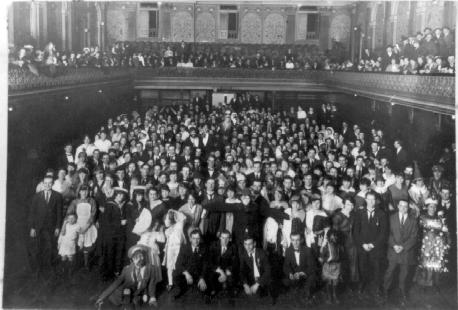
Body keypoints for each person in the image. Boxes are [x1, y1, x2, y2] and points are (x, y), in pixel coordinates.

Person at [383, 200, 418, 306]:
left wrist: (403, 247)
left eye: (405, 206)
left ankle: (402, 292)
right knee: (390, 271)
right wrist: (394, 245)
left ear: (408, 208)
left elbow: (414, 237)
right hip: (393, 250)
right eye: (401, 206)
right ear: (398, 206)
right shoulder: (391, 218)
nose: (403, 208)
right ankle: (385, 291)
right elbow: (387, 233)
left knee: (405, 273)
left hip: (406, 251)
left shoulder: (413, 220)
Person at [353, 191, 387, 295]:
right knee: (362, 266)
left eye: (373, 199)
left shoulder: (382, 214)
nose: (371, 202)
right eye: (369, 199)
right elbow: (355, 231)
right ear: (366, 200)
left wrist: (373, 245)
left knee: (376, 267)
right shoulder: (359, 213)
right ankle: (363, 283)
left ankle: (377, 286)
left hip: (376, 247)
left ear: (376, 201)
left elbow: (383, 232)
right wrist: (363, 244)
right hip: (362, 246)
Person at [28, 174, 63, 275]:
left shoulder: (57, 196)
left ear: (52, 184)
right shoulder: (37, 196)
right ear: (43, 184)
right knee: (38, 247)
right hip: (38, 227)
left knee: (50, 246)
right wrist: (32, 227)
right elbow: (32, 213)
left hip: (51, 227)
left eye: (50, 183)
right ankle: (38, 268)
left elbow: (59, 213)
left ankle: (49, 267)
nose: (47, 185)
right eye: (46, 183)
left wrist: (57, 227)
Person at [415, 199, 450, 291]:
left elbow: (446, 230)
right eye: (430, 206)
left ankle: (435, 284)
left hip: (438, 245)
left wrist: (447, 242)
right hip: (426, 244)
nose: (432, 208)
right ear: (427, 207)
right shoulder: (423, 217)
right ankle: (425, 284)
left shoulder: (439, 218)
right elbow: (428, 223)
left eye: (434, 207)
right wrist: (441, 226)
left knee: (436, 264)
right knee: (426, 263)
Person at [172, 229, 210, 301]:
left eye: (198, 238)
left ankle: (203, 290)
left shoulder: (204, 248)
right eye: (194, 238)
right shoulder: (184, 248)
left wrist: (202, 278)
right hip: (188, 273)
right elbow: (178, 264)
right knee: (175, 274)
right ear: (190, 239)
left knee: (206, 287)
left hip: (198, 274)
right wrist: (186, 274)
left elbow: (205, 265)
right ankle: (183, 288)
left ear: (200, 239)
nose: (196, 241)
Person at [66, 184, 98, 269]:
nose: (84, 192)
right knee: (76, 243)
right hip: (78, 223)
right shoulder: (75, 201)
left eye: (86, 191)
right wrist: (72, 221)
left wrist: (86, 226)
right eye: (82, 191)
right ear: (79, 191)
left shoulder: (91, 201)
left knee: (87, 245)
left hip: (88, 224)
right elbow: (70, 212)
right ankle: (76, 264)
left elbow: (93, 214)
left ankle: (86, 264)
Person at [282, 232, 317, 304]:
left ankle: (307, 294)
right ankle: (297, 292)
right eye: (293, 240)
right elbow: (286, 266)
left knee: (312, 277)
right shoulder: (288, 251)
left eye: (297, 240)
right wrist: (290, 274)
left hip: (305, 273)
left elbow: (312, 267)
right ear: (291, 240)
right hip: (295, 274)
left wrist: (302, 273)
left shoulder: (308, 250)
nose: (295, 243)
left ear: (301, 240)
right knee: (286, 282)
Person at [239, 233, 273, 303]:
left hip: (262, 279)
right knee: (245, 298)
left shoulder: (262, 253)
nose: (247, 247)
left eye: (250, 244)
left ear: (254, 244)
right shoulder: (243, 255)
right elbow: (241, 271)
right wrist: (245, 285)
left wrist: (258, 284)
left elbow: (268, 271)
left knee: (264, 298)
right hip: (251, 279)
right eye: (245, 244)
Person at [207, 229, 239, 297]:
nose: (224, 240)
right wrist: (220, 272)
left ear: (230, 239)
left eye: (227, 238)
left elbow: (235, 262)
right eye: (223, 238)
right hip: (216, 269)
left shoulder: (233, 247)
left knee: (231, 280)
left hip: (226, 269)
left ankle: (226, 289)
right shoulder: (213, 245)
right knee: (211, 279)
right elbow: (209, 261)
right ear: (220, 237)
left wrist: (228, 270)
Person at [162, 209, 186, 290]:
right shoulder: (167, 230)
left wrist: (172, 211)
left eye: (168, 218)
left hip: (178, 247)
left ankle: (178, 281)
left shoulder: (179, 225)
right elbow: (167, 233)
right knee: (169, 265)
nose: (166, 221)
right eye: (166, 219)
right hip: (170, 248)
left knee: (178, 263)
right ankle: (170, 282)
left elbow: (183, 217)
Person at [320, 229, 342, 304]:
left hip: (336, 266)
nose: (334, 239)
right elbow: (322, 257)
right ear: (329, 237)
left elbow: (341, 256)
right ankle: (329, 297)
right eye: (332, 237)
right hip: (328, 266)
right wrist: (326, 259)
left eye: (336, 237)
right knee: (328, 282)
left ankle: (335, 295)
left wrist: (339, 261)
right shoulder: (326, 246)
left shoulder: (339, 246)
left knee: (335, 282)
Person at [57, 213, 80, 277]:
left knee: (70, 257)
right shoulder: (66, 225)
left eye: (73, 218)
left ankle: (70, 271)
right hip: (64, 243)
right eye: (69, 218)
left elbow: (80, 235)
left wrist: (80, 243)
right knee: (63, 257)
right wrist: (59, 243)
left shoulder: (77, 226)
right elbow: (62, 234)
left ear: (76, 219)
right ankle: (63, 270)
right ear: (67, 219)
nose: (71, 220)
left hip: (71, 244)